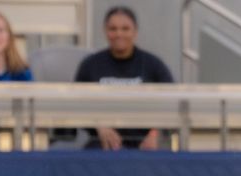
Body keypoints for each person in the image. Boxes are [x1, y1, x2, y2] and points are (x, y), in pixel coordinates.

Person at [73, 6, 174, 150]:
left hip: (146, 145)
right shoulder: (90, 65)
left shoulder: (153, 65)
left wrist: (155, 133)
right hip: (102, 144)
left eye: (125, 28)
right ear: (105, 31)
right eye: (113, 29)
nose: (119, 34)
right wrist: (99, 125)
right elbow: (76, 104)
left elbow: (171, 103)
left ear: (135, 32)